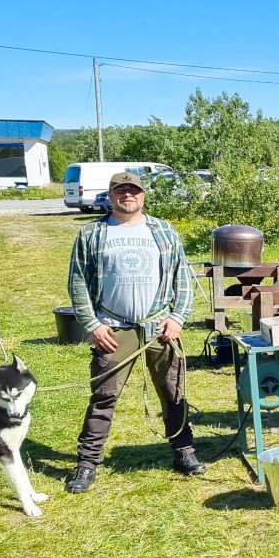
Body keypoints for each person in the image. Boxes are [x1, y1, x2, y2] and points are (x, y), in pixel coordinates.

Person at [65, 172, 203, 493]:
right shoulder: (92, 234)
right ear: (111, 196)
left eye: (133, 190)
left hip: (159, 326)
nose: (128, 195)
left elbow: (182, 281)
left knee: (173, 392)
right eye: (120, 190)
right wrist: (93, 325)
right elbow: (77, 284)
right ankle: (87, 464)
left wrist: (178, 317)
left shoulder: (164, 231)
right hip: (113, 328)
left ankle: (184, 452)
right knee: (103, 396)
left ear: (142, 195)